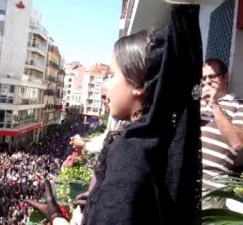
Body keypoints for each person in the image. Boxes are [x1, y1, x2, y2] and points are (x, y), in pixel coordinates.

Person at [25, 4, 202, 225]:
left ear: (139, 85)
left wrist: (62, 216)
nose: (104, 87)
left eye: (111, 75)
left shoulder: (130, 154)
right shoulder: (161, 141)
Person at [201, 58, 243, 207]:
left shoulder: (238, 106)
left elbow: (236, 142)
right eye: (203, 78)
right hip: (181, 182)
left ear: (225, 77)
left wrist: (214, 106)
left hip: (210, 190)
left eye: (212, 76)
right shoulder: (196, 104)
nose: (207, 81)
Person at [70, 78, 121, 154]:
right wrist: (86, 140)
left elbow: (110, 146)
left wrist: (83, 144)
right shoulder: (113, 114)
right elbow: (106, 137)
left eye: (108, 97)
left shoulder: (125, 118)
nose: (105, 101)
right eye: (103, 97)